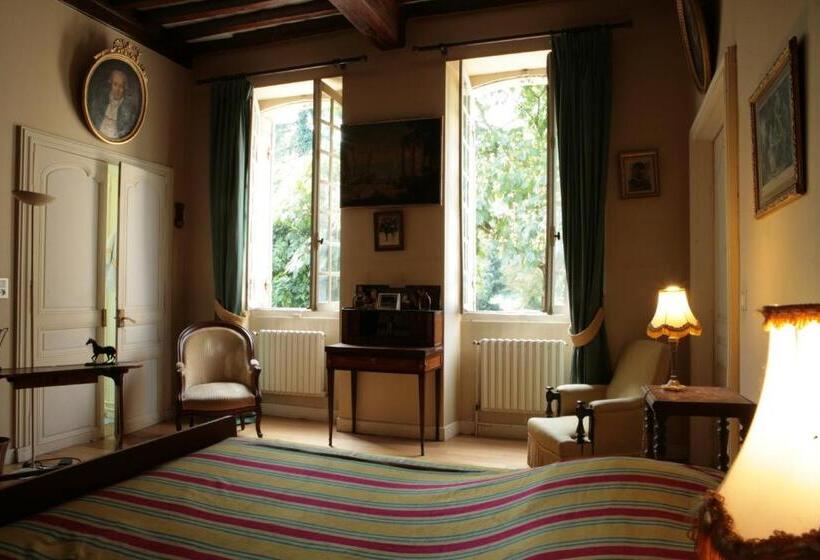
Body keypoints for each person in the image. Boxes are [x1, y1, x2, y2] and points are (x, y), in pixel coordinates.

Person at [89, 67, 138, 139]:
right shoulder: (102, 100)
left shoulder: (127, 109)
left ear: (124, 88)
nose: (118, 89)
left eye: (121, 86)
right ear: (111, 84)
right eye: (115, 84)